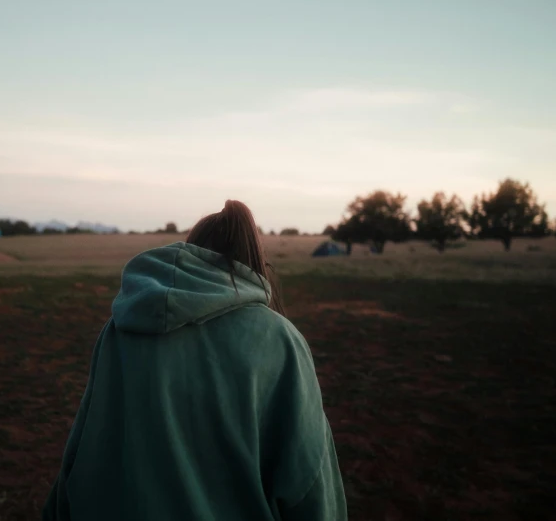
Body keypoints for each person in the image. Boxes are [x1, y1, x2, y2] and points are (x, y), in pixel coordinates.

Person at [43, 200, 347, 520]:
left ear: (192, 252)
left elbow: (83, 442)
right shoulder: (280, 340)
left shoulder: (119, 328)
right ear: (253, 262)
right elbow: (309, 479)